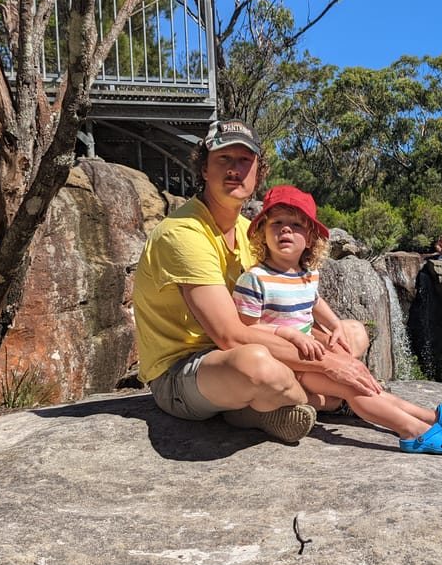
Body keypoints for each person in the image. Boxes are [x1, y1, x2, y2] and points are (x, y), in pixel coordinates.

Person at [132, 118, 381, 444]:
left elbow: (278, 316)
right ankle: (312, 400)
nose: (234, 169)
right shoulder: (183, 233)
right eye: (223, 159)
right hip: (185, 372)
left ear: (258, 172)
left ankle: (260, 408)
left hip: (252, 347)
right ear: (205, 169)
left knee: (351, 333)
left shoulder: (253, 234)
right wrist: (332, 366)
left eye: (244, 160)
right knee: (257, 365)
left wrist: (330, 342)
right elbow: (231, 336)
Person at [234, 185, 442, 454]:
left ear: (311, 238)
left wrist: (335, 325)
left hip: (310, 353)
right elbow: (246, 331)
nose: (285, 229)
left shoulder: (306, 274)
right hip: (289, 364)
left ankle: (430, 418)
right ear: (262, 233)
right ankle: (413, 432)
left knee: (367, 384)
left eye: (295, 224)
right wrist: (287, 334)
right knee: (353, 388)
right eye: (276, 222)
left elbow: (313, 302)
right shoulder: (254, 279)